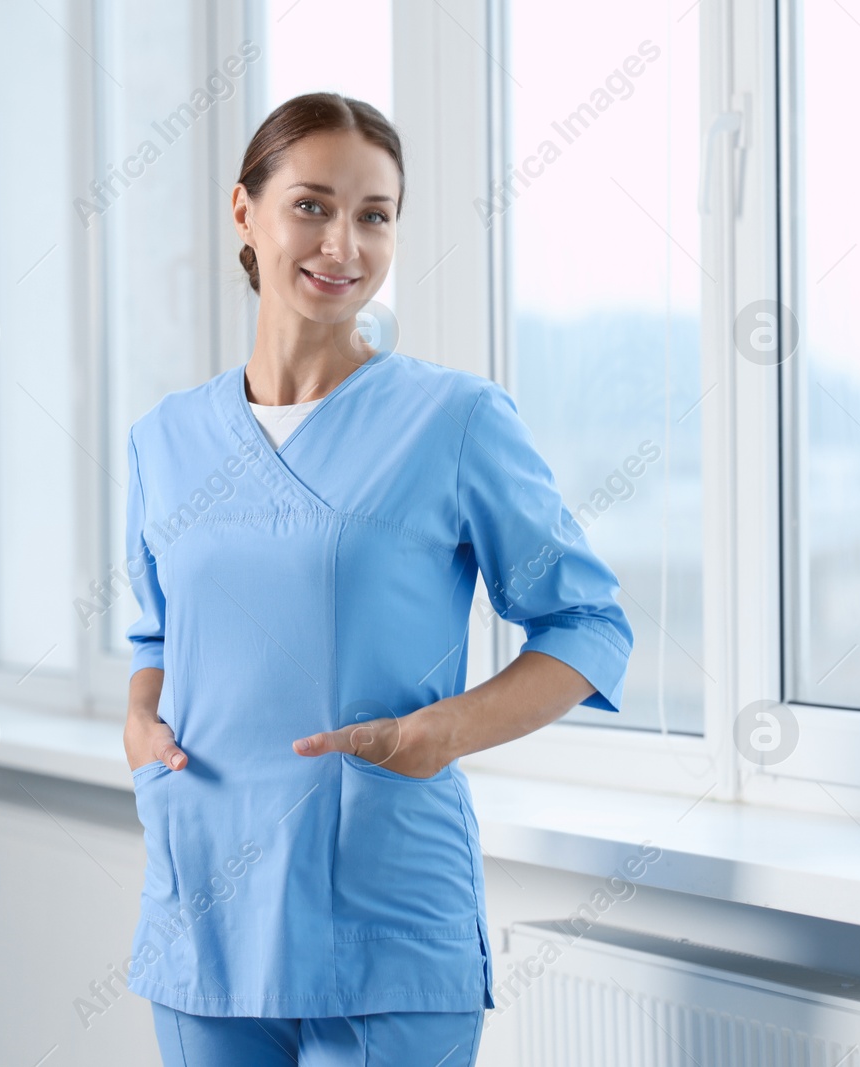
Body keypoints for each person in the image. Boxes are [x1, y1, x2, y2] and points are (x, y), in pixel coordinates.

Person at [119, 92, 633, 1066]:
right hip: (205, 910)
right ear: (245, 212)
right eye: (311, 205)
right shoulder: (164, 440)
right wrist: (140, 718)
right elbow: (155, 633)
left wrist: (441, 729)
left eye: (374, 214)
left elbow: (586, 621)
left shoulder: (454, 421)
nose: (342, 243)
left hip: (384, 916)